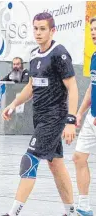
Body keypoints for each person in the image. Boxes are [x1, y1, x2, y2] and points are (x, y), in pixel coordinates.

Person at [1, 12, 78, 216]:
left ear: (52, 30)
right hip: (40, 117)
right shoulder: (34, 55)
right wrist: (13, 103)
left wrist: (71, 120)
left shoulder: (59, 54)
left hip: (55, 117)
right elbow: (31, 86)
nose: (38, 32)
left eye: (43, 29)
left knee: (30, 158)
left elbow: (73, 87)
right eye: (35, 28)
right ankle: (71, 212)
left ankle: (13, 213)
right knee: (56, 165)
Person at [72, 16, 96, 216]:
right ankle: (84, 206)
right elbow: (91, 87)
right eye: (92, 30)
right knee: (79, 157)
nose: (94, 33)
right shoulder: (95, 56)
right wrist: (80, 113)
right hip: (92, 118)